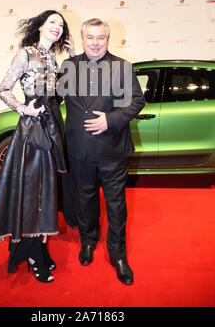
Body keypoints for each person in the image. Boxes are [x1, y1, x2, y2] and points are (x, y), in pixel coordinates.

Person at [0, 10, 70, 283]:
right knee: (34, 191)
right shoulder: (25, 54)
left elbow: (59, 95)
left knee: (47, 190)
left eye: (62, 25)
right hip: (32, 130)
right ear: (40, 25)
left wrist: (73, 53)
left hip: (53, 124)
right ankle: (32, 253)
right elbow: (3, 89)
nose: (57, 27)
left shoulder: (54, 57)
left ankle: (40, 247)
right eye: (53, 22)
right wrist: (22, 109)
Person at [60, 18, 145, 285]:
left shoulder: (121, 67)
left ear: (108, 40)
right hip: (79, 150)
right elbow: (54, 98)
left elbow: (136, 101)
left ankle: (118, 254)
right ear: (82, 38)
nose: (95, 43)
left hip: (113, 150)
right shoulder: (69, 66)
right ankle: (88, 241)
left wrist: (110, 119)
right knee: (84, 200)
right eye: (90, 38)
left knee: (116, 205)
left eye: (101, 38)